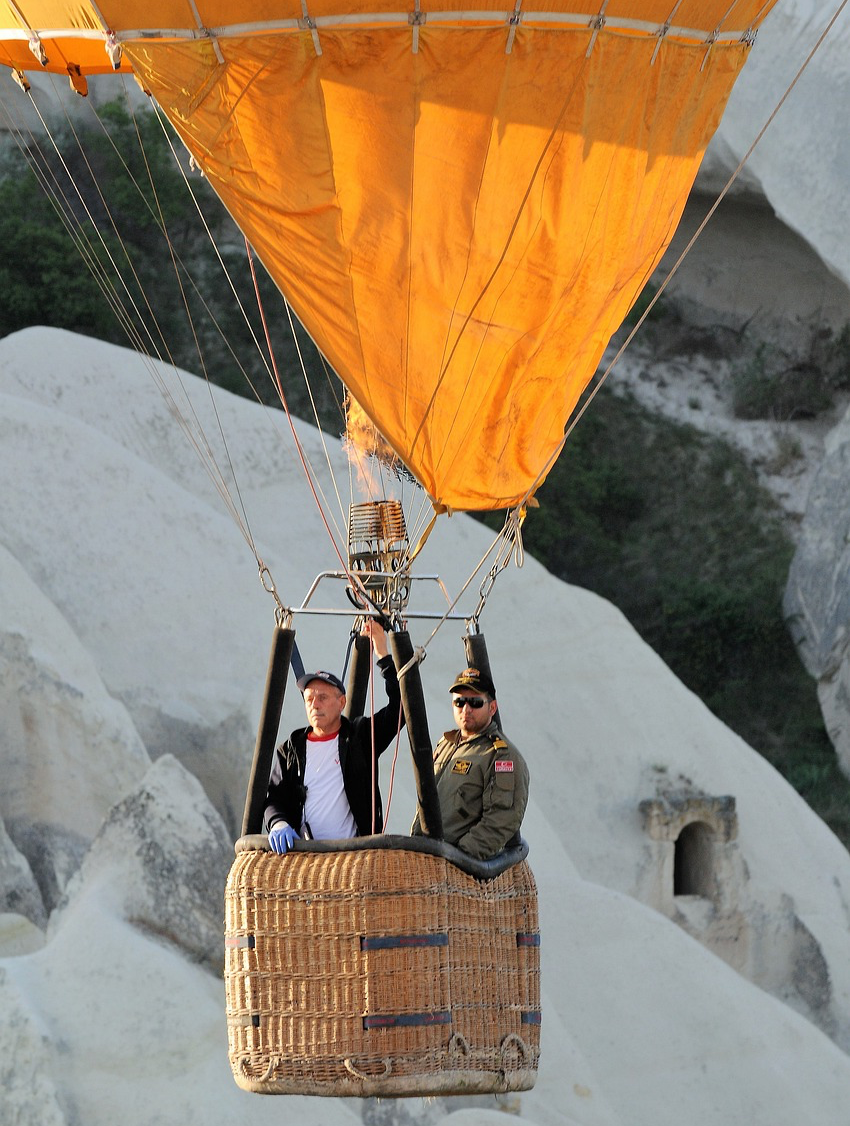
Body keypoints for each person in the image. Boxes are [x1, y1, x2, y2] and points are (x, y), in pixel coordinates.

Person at [264, 621, 403, 854]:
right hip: (305, 858)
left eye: (323, 697)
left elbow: (401, 707)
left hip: (355, 857)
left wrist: (383, 655)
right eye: (309, 699)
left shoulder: (360, 738)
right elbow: (273, 798)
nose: (315, 704)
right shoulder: (290, 750)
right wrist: (278, 823)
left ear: (341, 703)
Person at [411, 666, 529, 860]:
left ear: (492, 708)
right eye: (459, 702)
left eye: (475, 702)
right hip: (425, 858)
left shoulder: (500, 756)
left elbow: (501, 819)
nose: (466, 709)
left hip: (458, 870)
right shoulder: (446, 744)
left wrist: (460, 858)